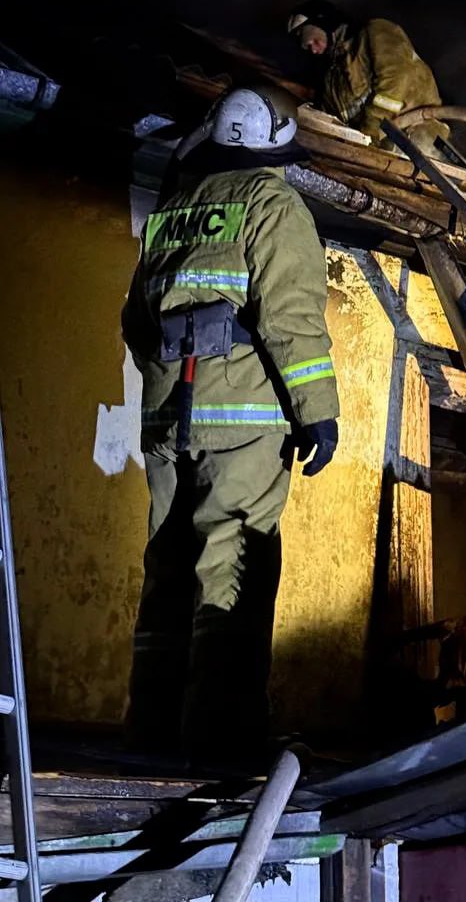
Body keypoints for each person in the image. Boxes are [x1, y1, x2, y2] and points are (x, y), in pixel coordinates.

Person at [122, 84, 340, 769]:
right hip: (244, 421)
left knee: (167, 573)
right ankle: (219, 741)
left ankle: (152, 729)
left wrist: (170, 385)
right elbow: (290, 318)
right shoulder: (272, 205)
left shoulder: (175, 210)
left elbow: (135, 322)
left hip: (168, 421)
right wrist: (318, 412)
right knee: (232, 568)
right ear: (277, 147)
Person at [286, 0, 446, 151]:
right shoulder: (332, 82)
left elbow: (398, 77)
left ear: (325, 23)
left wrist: (372, 125)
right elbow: (331, 120)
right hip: (380, 153)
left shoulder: (374, 33)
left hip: (420, 137)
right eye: (308, 49)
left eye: (314, 41)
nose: (314, 50)